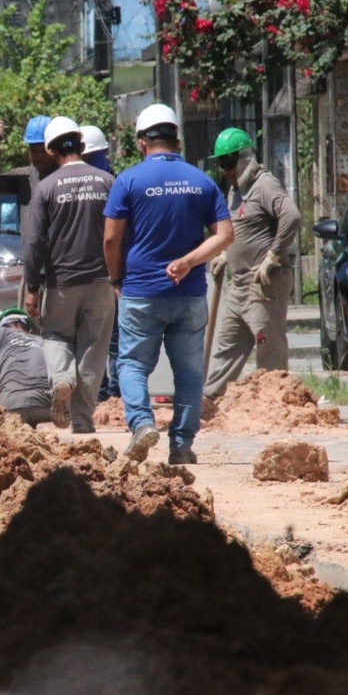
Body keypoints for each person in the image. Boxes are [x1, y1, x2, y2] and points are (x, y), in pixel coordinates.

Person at [103, 104, 234, 464]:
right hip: (189, 292)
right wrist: (190, 261)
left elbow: (111, 239)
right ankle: (181, 445)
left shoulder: (128, 181)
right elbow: (225, 235)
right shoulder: (202, 181)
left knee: (131, 365)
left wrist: (116, 278)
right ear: (177, 140)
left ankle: (143, 423)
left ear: (141, 142)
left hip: (141, 291)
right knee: (190, 372)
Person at [22, 116, 116, 434]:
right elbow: (120, 234)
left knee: (55, 336)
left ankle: (62, 379)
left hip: (61, 282)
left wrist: (32, 288)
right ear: (80, 143)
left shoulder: (46, 188)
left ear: (51, 151)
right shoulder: (106, 181)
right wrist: (118, 277)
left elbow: (35, 241)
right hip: (101, 281)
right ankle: (83, 420)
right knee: (93, 348)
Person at [203, 127, 302, 399]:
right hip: (239, 285)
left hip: (263, 285)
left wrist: (274, 254)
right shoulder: (235, 191)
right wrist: (225, 253)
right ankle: (209, 401)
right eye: (221, 164)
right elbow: (236, 229)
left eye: (228, 162)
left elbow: (291, 216)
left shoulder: (265, 185)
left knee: (269, 348)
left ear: (245, 157)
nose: (225, 170)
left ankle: (275, 403)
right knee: (227, 346)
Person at [81, 124, 121, 401]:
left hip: (102, 273)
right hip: (108, 272)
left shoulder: (109, 185)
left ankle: (104, 393)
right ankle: (111, 393)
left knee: (100, 339)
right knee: (111, 338)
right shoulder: (114, 183)